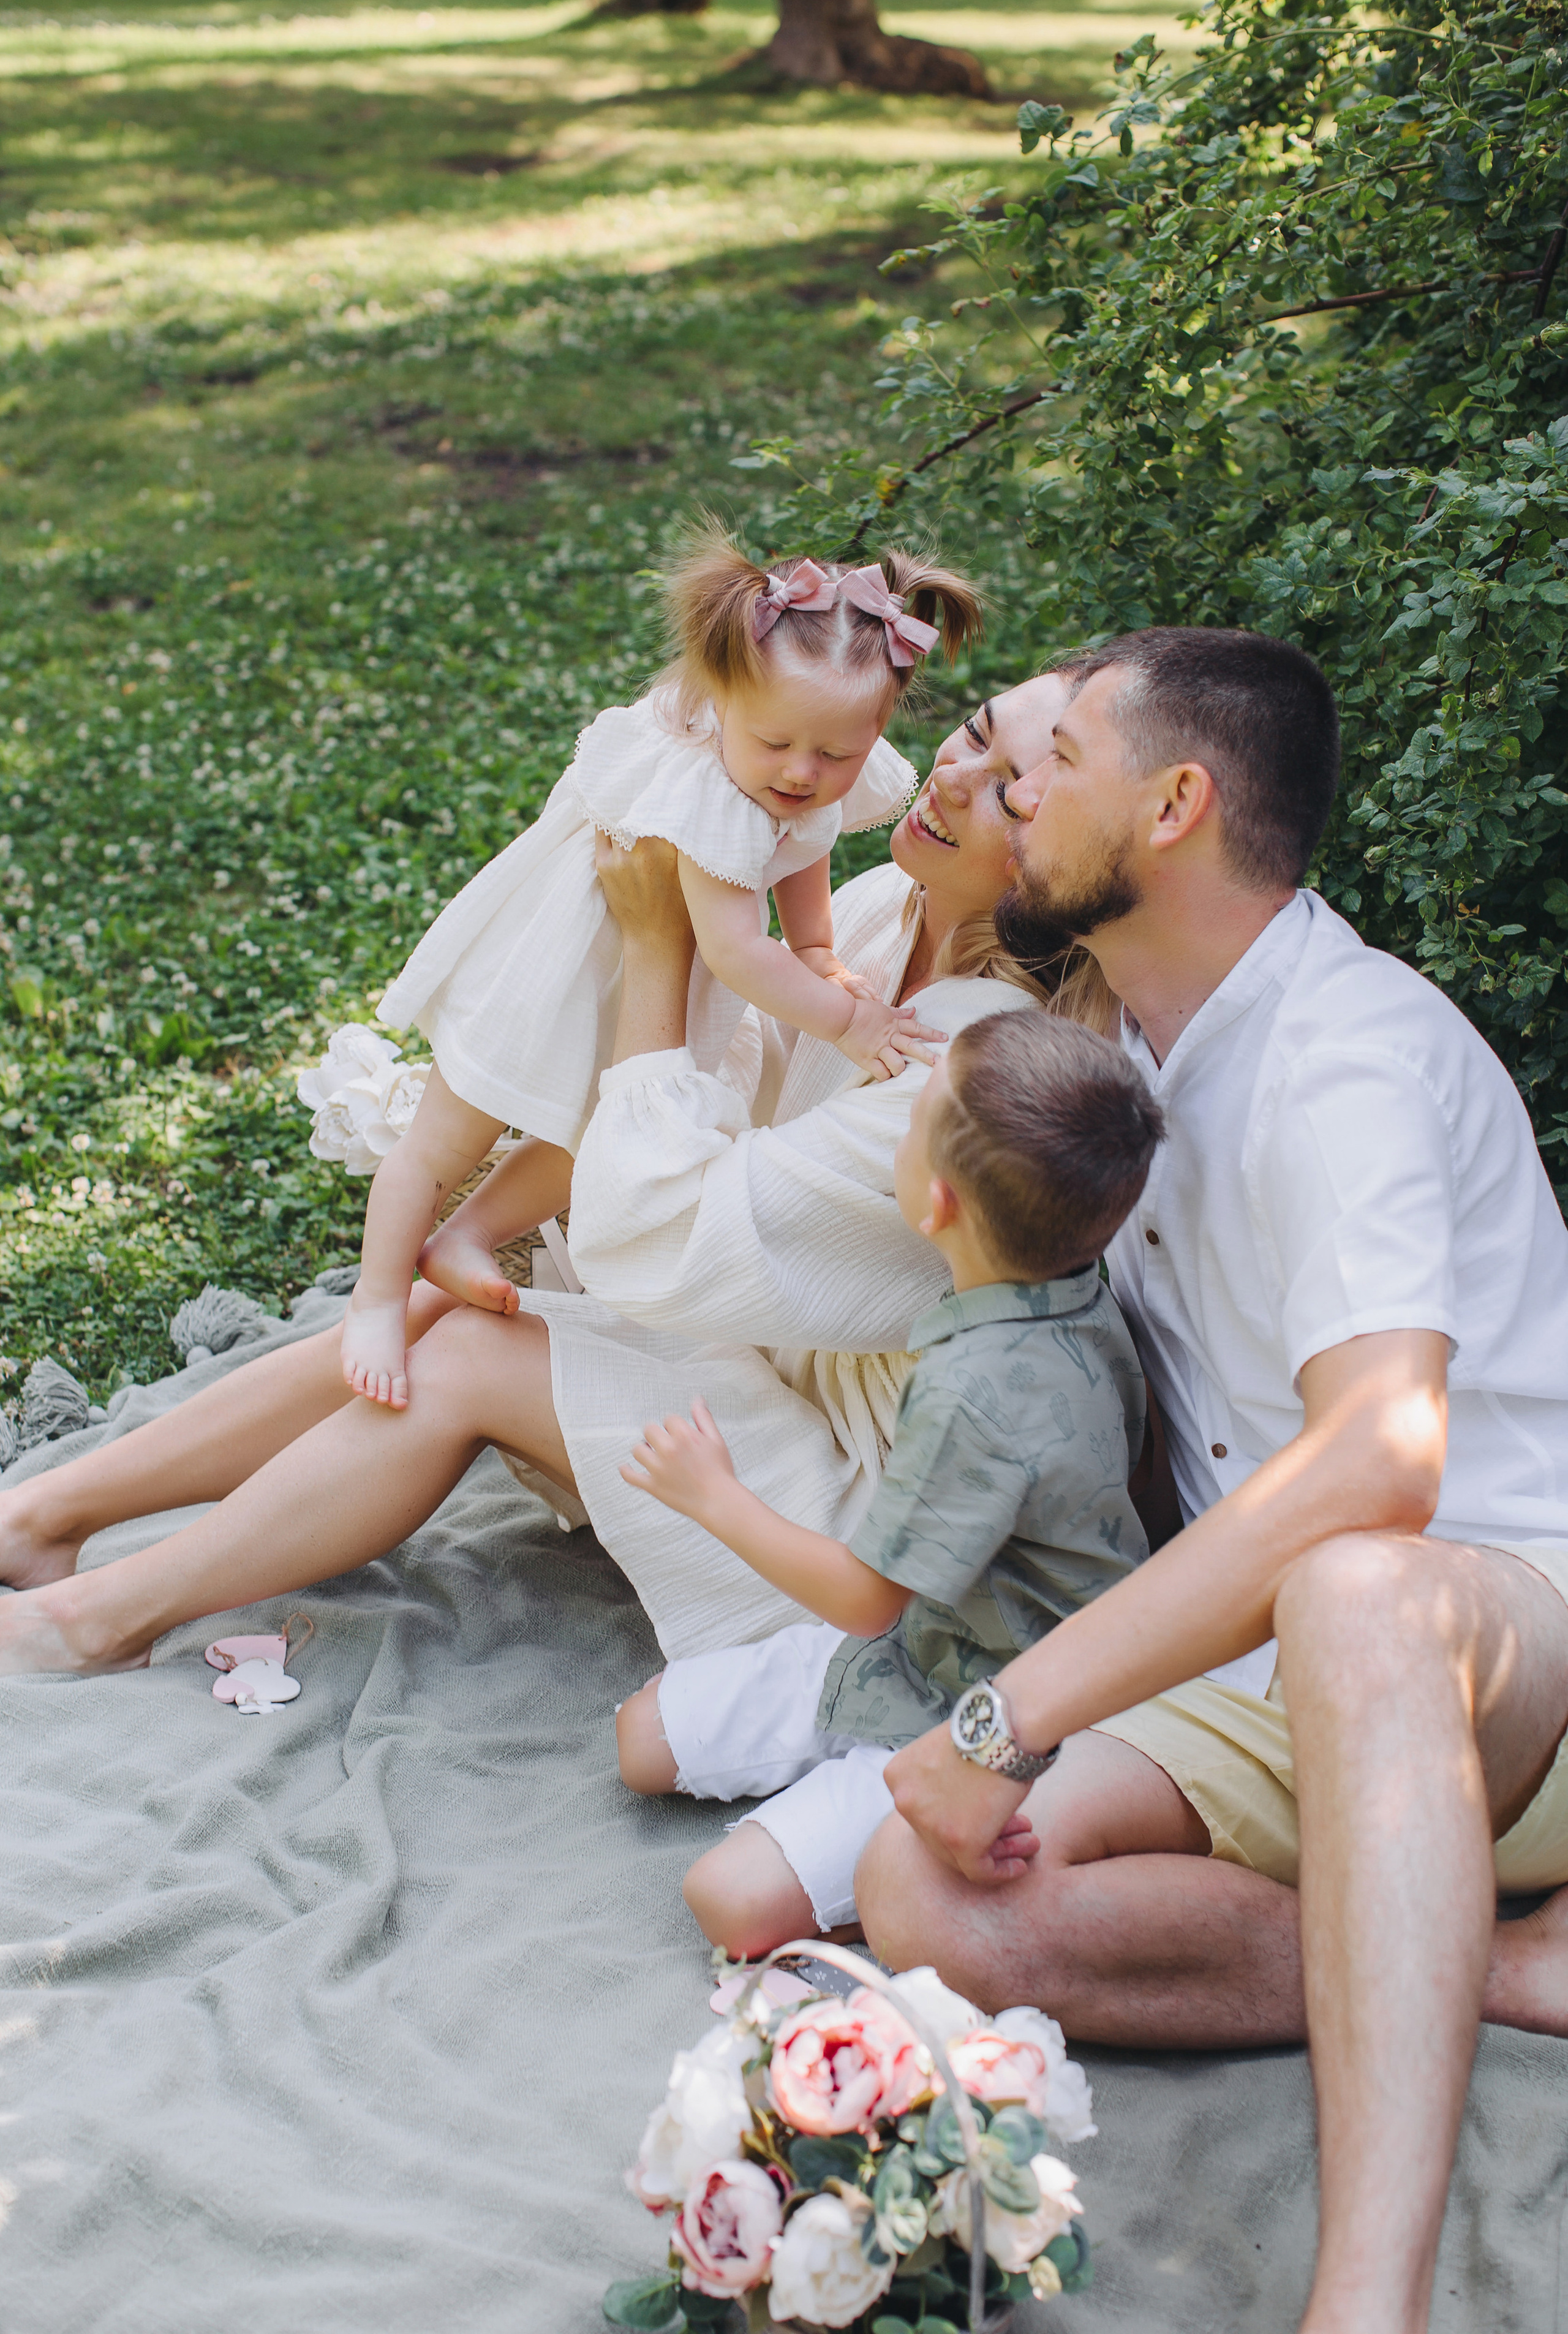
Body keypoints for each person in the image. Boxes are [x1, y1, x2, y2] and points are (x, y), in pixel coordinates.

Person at [854, 627, 1568, 2334]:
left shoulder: (1340, 1061)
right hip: (1279, 1677)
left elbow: (1383, 1463)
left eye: (1060, 762)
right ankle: (1487, 1959)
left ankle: (1363, 2304)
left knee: (1358, 1576)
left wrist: (1003, 1715)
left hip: (1510, 1642)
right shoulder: (1126, 1036)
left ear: (1175, 807)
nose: (1017, 783)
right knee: (930, 1891)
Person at [0, 678, 1109, 1681]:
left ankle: (100, 1620)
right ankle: (43, 1515)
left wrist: (660, 946)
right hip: (747, 1341)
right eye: (973, 734)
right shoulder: (882, 915)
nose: (955, 778)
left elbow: (665, 1233)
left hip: (839, 1504)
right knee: (441, 1296)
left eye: (1011, 796)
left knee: (472, 1352)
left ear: (1063, 860)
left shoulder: (974, 1063)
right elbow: (722, 1079)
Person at [339, 531, 978, 1410]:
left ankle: (466, 1239)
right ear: (722, 701)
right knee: (452, 1135)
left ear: (875, 730)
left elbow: (804, 854)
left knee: (596, 1140)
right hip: (558, 967)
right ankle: (375, 1300)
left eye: (835, 755)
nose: (802, 772)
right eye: (778, 744)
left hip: (645, 974)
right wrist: (850, 1022)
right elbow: (728, 949)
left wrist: (817, 950)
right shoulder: (711, 796)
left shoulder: (806, 765)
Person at [613, 1005, 1163, 1958]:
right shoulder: (1070, 1285)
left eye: (911, 1119)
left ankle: (908, 1860)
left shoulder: (973, 1390)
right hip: (935, 1642)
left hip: (992, 1708)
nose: (895, 1126)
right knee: (641, 1740)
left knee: (727, 1902)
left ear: (936, 1202)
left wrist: (715, 1497)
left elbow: (868, 1599)